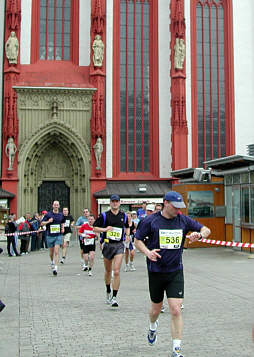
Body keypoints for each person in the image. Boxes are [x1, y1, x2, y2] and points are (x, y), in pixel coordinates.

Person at [135, 191, 211, 357]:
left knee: (176, 310)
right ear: (166, 203)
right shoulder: (150, 221)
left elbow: (206, 229)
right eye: (175, 206)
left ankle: (176, 349)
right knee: (155, 310)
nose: (178, 209)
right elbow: (137, 240)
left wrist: (199, 235)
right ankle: (152, 328)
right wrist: (148, 253)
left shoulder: (182, 220)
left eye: (180, 207)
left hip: (175, 271)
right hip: (156, 271)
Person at [93, 194, 130, 307]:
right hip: (108, 245)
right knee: (108, 271)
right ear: (110, 203)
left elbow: (127, 226)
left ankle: (114, 297)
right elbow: (94, 228)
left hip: (119, 245)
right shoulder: (104, 215)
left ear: (119, 203)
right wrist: (105, 229)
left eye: (117, 201)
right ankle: (108, 290)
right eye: (113, 201)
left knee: (117, 271)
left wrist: (127, 235)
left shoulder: (123, 215)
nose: (115, 203)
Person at [41, 201, 65, 276]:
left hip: (58, 235)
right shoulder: (48, 214)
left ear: (59, 206)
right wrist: (48, 221)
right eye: (55, 205)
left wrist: (62, 228)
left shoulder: (61, 214)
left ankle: (55, 268)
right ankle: (52, 261)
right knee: (51, 253)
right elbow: (42, 223)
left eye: (57, 205)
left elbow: (62, 222)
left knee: (56, 251)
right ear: (52, 206)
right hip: (50, 235)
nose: (56, 206)